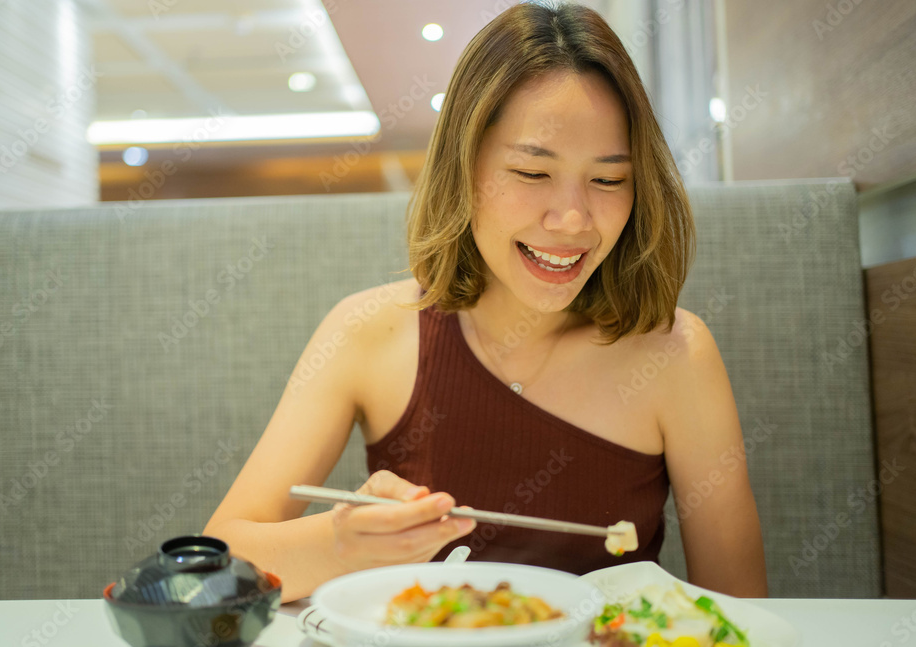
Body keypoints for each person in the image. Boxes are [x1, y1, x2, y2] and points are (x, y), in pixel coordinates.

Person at [203, 1, 768, 603]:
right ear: (464, 170)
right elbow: (216, 566)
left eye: (608, 180)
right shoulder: (367, 332)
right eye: (530, 172)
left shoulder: (675, 354)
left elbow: (742, 614)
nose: (573, 220)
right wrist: (342, 546)